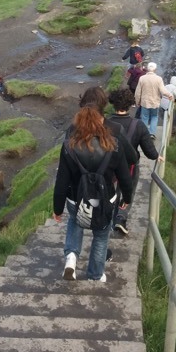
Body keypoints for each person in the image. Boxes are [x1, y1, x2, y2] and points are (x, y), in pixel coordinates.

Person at [53, 106, 132, 282]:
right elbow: (125, 177)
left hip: (75, 198)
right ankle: (95, 275)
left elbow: (61, 181)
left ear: (78, 124)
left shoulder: (68, 147)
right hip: (105, 200)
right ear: (101, 123)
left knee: (75, 222)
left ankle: (71, 258)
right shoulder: (113, 145)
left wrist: (57, 209)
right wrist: (127, 199)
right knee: (101, 235)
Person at [107, 87, 161, 235]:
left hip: (107, 165)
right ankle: (121, 218)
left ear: (113, 104)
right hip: (129, 166)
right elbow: (149, 152)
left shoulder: (105, 123)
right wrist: (157, 156)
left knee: (109, 192)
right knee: (127, 191)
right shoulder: (138, 125)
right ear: (131, 104)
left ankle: (107, 217)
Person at [134, 62, 173, 138]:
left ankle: (144, 134)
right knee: (154, 117)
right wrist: (169, 95)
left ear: (147, 69)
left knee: (144, 117)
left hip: (144, 102)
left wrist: (137, 101)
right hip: (155, 103)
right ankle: (152, 133)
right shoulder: (158, 79)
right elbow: (163, 90)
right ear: (155, 69)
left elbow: (137, 92)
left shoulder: (142, 78)